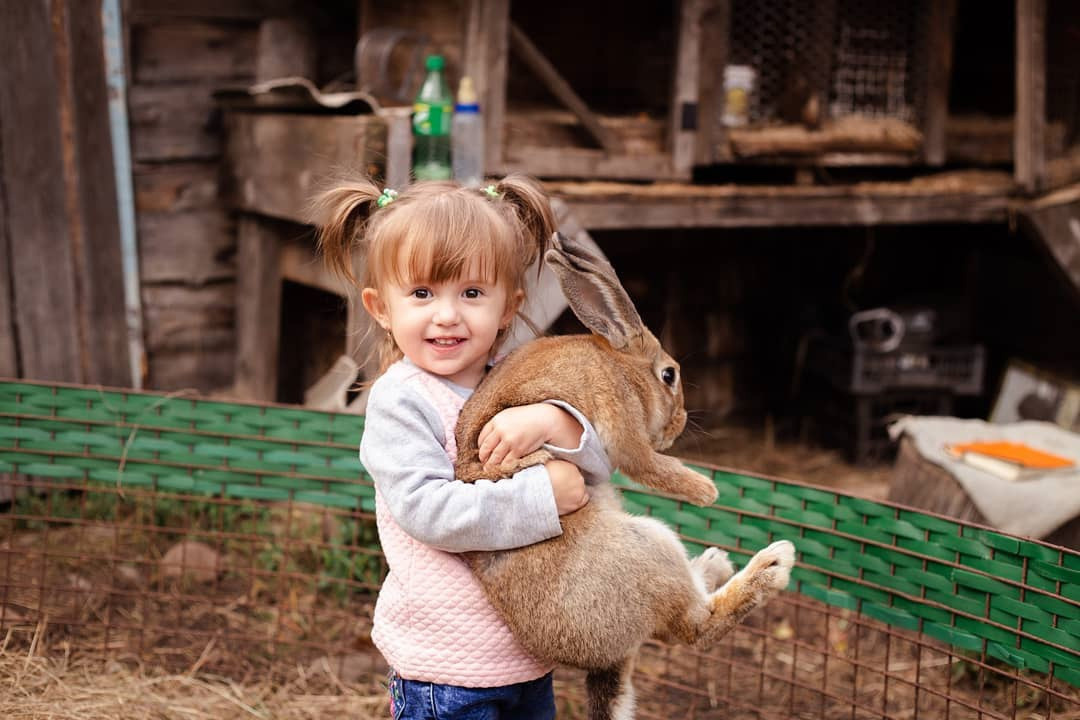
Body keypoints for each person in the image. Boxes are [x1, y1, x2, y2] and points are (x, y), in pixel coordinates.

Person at [314, 175, 612, 720]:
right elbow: (429, 512)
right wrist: (540, 498)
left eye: (472, 293)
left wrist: (553, 420)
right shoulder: (403, 401)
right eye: (423, 293)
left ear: (508, 306)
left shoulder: (520, 381)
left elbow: (598, 467)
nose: (447, 314)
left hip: (525, 655)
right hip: (444, 670)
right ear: (381, 307)